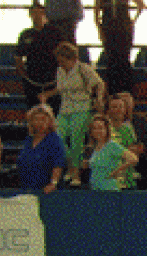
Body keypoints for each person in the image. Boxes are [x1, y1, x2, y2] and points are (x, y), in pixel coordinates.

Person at [38, 41, 104, 186]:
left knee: (76, 140)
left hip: (82, 108)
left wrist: (98, 99)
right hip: (65, 108)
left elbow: (99, 83)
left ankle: (76, 174)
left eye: (63, 60)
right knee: (57, 137)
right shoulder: (60, 71)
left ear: (71, 58)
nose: (61, 64)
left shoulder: (83, 69)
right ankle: (70, 165)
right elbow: (61, 88)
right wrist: (47, 95)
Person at [16, 4, 63, 111]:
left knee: (54, 111)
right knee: (33, 111)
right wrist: (26, 77)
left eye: (39, 12)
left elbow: (62, 56)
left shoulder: (55, 33)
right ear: (30, 15)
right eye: (34, 13)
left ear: (44, 14)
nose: (37, 16)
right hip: (32, 83)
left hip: (52, 81)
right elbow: (18, 58)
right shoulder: (25, 35)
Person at [95, 0, 143, 95]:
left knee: (123, 60)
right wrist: (100, 29)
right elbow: (96, 14)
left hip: (123, 29)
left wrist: (133, 21)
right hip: (109, 29)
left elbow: (141, 4)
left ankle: (126, 91)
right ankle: (112, 92)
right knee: (111, 61)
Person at [14, 104, 66, 192]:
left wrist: (53, 183)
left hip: (46, 191)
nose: (40, 123)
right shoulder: (29, 140)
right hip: (27, 188)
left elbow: (58, 164)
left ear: (50, 121)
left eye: (43, 119)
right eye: (36, 119)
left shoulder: (55, 140)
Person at [82, 113, 135, 191]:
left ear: (106, 129)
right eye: (94, 128)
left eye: (100, 128)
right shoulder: (94, 147)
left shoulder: (112, 145)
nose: (97, 131)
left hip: (109, 190)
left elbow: (133, 158)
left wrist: (117, 171)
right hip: (95, 189)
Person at [105, 94, 138, 188]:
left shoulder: (128, 129)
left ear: (125, 109)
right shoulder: (104, 129)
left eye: (121, 106)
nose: (118, 110)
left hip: (126, 176)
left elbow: (132, 152)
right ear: (108, 110)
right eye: (114, 107)